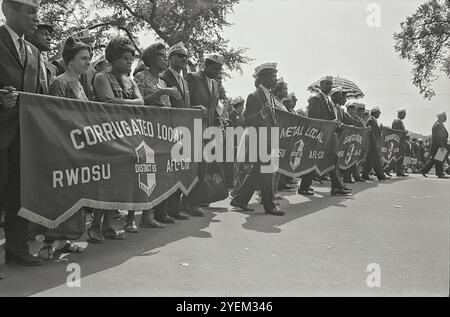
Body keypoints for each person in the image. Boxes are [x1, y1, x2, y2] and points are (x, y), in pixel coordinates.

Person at [0, 0, 44, 266]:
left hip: (24, 135)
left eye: (37, 11)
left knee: (19, 193)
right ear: (8, 10)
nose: (36, 18)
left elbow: (38, 95)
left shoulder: (33, 51)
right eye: (31, 11)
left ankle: (16, 250)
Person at [90, 36, 144, 242]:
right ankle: (95, 225)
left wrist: (118, 101)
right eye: (125, 57)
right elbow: (107, 103)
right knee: (104, 183)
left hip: (128, 138)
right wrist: (126, 103)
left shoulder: (130, 81)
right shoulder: (102, 77)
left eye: (131, 57)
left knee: (119, 182)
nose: (129, 61)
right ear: (113, 58)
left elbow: (141, 102)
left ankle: (108, 225)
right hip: (107, 137)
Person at [133, 42, 183, 226]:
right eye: (162, 56)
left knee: (163, 172)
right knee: (148, 172)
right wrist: (160, 93)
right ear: (152, 59)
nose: (165, 59)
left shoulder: (162, 81)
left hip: (163, 133)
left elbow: (167, 109)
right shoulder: (141, 77)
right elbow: (139, 103)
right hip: (146, 132)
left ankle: (160, 212)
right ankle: (147, 215)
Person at [230, 62, 285, 216]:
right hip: (259, 139)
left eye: (275, 75)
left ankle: (239, 200)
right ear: (263, 78)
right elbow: (247, 120)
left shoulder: (271, 96)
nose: (275, 79)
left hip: (269, 138)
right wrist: (262, 113)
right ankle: (270, 206)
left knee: (256, 172)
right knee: (266, 171)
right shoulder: (254, 96)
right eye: (272, 76)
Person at [182, 53, 224, 217]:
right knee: (190, 169)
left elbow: (213, 107)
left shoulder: (215, 84)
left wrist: (218, 123)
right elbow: (186, 103)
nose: (217, 71)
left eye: (219, 68)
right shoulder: (192, 77)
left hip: (208, 133)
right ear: (205, 65)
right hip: (191, 130)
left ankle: (194, 203)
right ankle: (183, 204)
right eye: (214, 67)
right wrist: (194, 107)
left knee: (202, 169)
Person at [298, 76, 351, 196]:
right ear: (321, 85)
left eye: (330, 84)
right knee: (313, 161)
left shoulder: (326, 100)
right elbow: (313, 118)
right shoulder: (316, 98)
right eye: (327, 84)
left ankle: (335, 186)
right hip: (317, 136)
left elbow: (329, 117)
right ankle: (304, 187)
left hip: (326, 136)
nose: (329, 86)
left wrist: (336, 123)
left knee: (331, 159)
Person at [159, 41, 192, 220]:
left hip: (184, 130)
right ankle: (162, 211)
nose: (184, 59)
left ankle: (174, 208)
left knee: (180, 170)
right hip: (169, 130)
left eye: (186, 57)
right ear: (170, 58)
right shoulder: (164, 76)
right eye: (180, 56)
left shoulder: (184, 81)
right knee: (167, 171)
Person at [26, 23, 57, 94]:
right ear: (30, 36)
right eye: (44, 34)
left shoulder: (53, 68)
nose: (49, 38)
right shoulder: (23, 60)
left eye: (49, 35)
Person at [362, 106, 391, 181]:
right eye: (378, 113)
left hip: (373, 143)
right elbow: (371, 134)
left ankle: (365, 174)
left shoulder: (373, 120)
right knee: (376, 160)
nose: (379, 114)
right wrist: (376, 143)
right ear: (375, 113)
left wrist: (380, 129)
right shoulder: (371, 120)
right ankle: (380, 175)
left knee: (369, 160)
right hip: (372, 144)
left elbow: (376, 133)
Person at [421, 112, 449, 178]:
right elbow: (438, 137)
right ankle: (440, 174)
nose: (446, 118)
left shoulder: (439, 124)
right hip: (439, 146)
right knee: (439, 160)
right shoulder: (438, 125)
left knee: (434, 160)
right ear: (440, 117)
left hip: (438, 145)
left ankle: (423, 170)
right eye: (444, 117)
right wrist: (442, 146)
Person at [390, 109, 408, 177]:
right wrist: (404, 132)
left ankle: (399, 171)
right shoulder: (398, 121)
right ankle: (387, 169)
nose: (405, 116)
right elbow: (398, 132)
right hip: (399, 142)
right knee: (398, 156)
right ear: (400, 114)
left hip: (398, 141)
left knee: (399, 157)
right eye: (404, 114)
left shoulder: (396, 120)